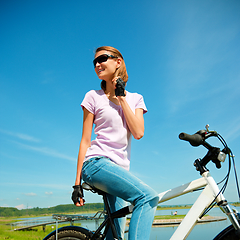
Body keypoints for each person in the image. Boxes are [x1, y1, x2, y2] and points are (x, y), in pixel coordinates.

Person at [72, 46, 159, 240]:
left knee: (116, 233)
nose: (97, 64)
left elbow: (138, 132)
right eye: (94, 61)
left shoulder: (136, 98)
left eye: (102, 58)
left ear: (118, 62)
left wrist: (121, 97)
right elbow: (85, 140)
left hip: (119, 170)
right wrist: (76, 184)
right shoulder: (93, 96)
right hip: (96, 164)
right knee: (148, 197)